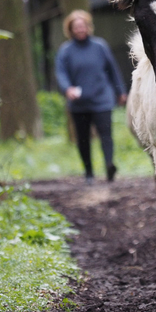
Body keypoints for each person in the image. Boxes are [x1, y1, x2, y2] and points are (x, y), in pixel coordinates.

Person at [55, 10, 128, 184]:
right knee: (83, 139)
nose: (80, 29)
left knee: (106, 135)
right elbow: (61, 73)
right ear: (70, 30)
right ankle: (88, 172)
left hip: (102, 99)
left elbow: (113, 71)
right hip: (79, 103)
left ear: (88, 27)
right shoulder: (65, 51)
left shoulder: (100, 46)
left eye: (83, 26)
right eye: (76, 27)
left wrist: (121, 92)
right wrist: (67, 89)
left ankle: (109, 165)